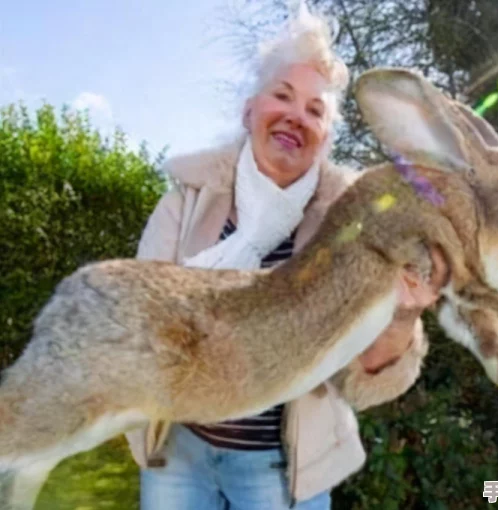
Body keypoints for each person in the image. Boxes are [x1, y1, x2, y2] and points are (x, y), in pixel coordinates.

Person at [126, 7, 448, 510]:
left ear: (324, 137)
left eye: (315, 110)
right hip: (180, 455)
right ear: (250, 110)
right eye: (282, 96)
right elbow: (137, 320)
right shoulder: (185, 201)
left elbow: (362, 378)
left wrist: (403, 314)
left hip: (281, 471)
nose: (297, 115)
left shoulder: (355, 226)